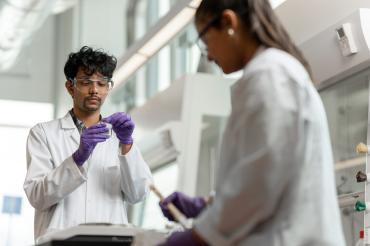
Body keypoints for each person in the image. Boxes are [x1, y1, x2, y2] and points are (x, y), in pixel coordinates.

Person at [158, 0, 345, 245]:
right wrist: (207, 204)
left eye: (205, 42)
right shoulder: (272, 72)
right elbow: (266, 170)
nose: (210, 56)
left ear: (228, 22)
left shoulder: (269, 74)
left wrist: (197, 237)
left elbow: (259, 184)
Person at [23, 46, 153, 240]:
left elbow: (138, 194)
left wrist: (127, 144)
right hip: (61, 242)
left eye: (102, 83)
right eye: (86, 82)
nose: (94, 90)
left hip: (110, 242)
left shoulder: (119, 137)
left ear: (108, 87)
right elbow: (37, 196)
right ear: (70, 86)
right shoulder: (43, 134)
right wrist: (77, 159)